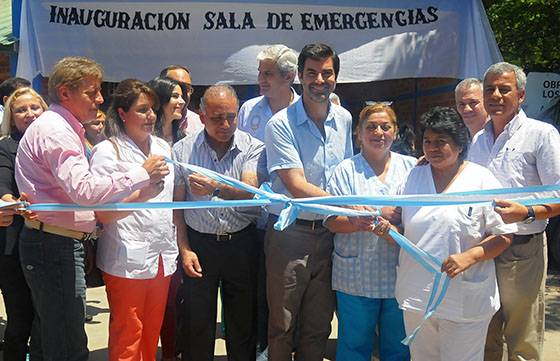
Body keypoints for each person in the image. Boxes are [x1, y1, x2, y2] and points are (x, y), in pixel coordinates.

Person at [14, 56, 169, 361]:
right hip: (53, 245)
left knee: (54, 336)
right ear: (65, 93)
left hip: (56, 242)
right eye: (92, 92)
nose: (99, 99)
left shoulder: (63, 127)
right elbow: (84, 191)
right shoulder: (57, 131)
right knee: (68, 345)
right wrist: (142, 173)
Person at [394, 106, 516, 361]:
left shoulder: (481, 180)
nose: (432, 148)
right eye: (427, 141)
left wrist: (469, 256)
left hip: (465, 300)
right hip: (418, 295)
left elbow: (504, 235)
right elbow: (398, 222)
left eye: (441, 142)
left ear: (460, 145)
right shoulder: (413, 178)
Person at [264, 43, 353, 360]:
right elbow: (296, 185)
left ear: (335, 78)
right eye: (311, 73)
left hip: (331, 235)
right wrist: (350, 203)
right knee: (282, 325)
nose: (319, 80)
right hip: (291, 237)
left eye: (326, 73)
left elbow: (349, 171)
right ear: (299, 77)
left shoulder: (344, 119)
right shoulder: (280, 124)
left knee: (319, 324)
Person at [467, 62, 560, 361]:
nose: (495, 95)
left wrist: (527, 211)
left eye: (504, 89)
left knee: (522, 338)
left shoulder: (541, 135)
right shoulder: (478, 140)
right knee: (485, 330)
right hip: (483, 246)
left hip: (522, 250)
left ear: (520, 95)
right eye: (489, 89)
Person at [173, 84, 265, 361]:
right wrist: (184, 249)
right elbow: (177, 207)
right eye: (216, 118)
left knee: (242, 323)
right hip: (200, 244)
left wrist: (215, 188)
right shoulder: (183, 150)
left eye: (231, 117)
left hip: (242, 243)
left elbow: (250, 191)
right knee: (197, 324)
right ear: (202, 117)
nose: (225, 125)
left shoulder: (252, 147)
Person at [89, 79, 177, 361]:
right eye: (141, 110)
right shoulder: (107, 152)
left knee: (152, 332)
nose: (150, 116)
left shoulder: (163, 146)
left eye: (152, 109)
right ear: (123, 114)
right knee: (129, 334)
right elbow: (102, 212)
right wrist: (142, 190)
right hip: (126, 259)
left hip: (163, 257)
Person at [324, 103, 413, 361]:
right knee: (354, 347)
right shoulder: (345, 170)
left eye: (386, 127)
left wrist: (385, 221)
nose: (379, 132)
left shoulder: (412, 169)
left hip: (399, 274)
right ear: (358, 134)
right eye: (371, 127)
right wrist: (359, 221)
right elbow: (331, 220)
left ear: (395, 132)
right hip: (356, 275)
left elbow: (418, 218)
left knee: (398, 348)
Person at [237, 44, 299, 357]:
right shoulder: (249, 111)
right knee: (260, 291)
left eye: (268, 74)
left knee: (290, 294)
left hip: (294, 220)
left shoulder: (306, 110)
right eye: (260, 73)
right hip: (255, 219)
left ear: (289, 76)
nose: (261, 79)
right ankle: (263, 349)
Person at [0, 87, 47, 361]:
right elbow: (3, 180)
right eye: (21, 110)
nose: (29, 114)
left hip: (52, 241)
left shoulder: (57, 144)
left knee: (46, 318)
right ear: (12, 117)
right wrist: (9, 200)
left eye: (34, 107)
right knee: (21, 319)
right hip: (14, 245)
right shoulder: (6, 147)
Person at [148, 75, 186, 361]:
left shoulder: (185, 140)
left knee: (176, 304)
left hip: (181, 233)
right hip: (149, 236)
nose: (182, 101)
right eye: (174, 96)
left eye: (182, 95)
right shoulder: (144, 142)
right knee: (154, 306)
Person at [160, 65, 203, 136]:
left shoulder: (199, 125)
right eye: (176, 86)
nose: (182, 92)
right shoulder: (146, 122)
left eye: (187, 88)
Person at [149, 76, 186, 145]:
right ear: (160, 99)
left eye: (182, 97)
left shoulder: (183, 139)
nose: (183, 102)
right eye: (175, 96)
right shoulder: (144, 136)